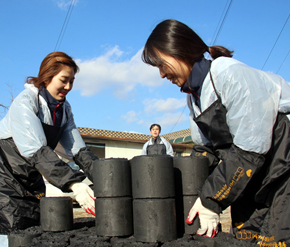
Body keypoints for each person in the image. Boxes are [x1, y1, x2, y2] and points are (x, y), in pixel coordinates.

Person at [142, 19, 290, 246]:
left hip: (281, 162)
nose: (161, 74)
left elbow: (251, 147)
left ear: (180, 50)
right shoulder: (194, 97)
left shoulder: (229, 73)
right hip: (252, 170)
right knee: (245, 238)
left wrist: (211, 198)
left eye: (162, 64)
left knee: (276, 238)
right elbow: (206, 150)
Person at [0, 51, 99, 234]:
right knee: (13, 232)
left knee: (35, 230)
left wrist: (106, 178)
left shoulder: (64, 110)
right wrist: (74, 184)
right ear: (47, 77)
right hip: (6, 180)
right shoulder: (26, 102)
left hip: (32, 179)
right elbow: (37, 152)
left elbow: (78, 151)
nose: (68, 86)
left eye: (72, 81)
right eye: (63, 80)